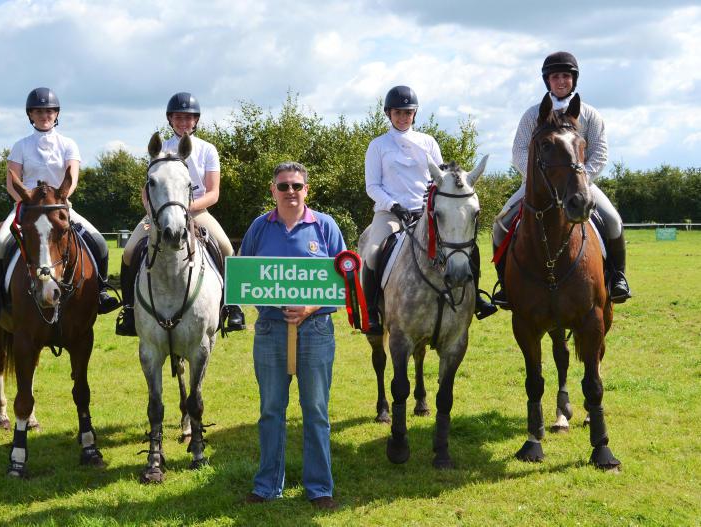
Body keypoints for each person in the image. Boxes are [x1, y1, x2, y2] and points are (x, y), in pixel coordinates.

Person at [241, 162, 346, 510]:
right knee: (271, 409)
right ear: (273, 190)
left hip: (315, 330)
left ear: (307, 189)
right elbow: (244, 276)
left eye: (296, 186)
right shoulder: (260, 227)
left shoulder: (326, 226)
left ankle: (319, 488)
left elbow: (342, 280)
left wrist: (309, 308)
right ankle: (268, 484)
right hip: (270, 330)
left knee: (315, 410)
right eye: (283, 186)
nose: (290, 192)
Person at [491, 51, 631, 306]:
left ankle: (618, 277)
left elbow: (599, 152)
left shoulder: (590, 115)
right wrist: (537, 179)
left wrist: (580, 179)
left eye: (566, 76)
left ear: (573, 79)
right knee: (499, 226)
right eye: (555, 77)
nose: (561, 81)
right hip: (537, 186)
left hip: (580, 184)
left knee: (613, 220)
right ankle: (505, 285)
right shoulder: (533, 115)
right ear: (548, 81)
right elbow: (519, 151)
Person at [361, 85, 497, 334]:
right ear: (389, 113)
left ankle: (475, 298)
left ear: (414, 114)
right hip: (389, 213)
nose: (403, 117)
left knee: (467, 248)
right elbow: (373, 186)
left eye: (408, 112)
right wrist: (394, 206)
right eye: (398, 112)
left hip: (425, 213)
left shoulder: (428, 142)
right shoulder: (378, 145)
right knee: (372, 252)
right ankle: (371, 313)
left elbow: (439, 179)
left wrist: (430, 205)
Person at [0, 87, 119, 320]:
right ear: (30, 115)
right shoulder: (20, 146)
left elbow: (71, 177)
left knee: (99, 242)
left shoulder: (68, 144)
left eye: (49, 111)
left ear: (56, 114)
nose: (45, 115)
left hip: (60, 208)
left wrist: (61, 199)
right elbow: (12, 183)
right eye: (39, 111)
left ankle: (101, 292)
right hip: (27, 208)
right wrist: (28, 202)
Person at [115, 92, 245, 336]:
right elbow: (148, 189)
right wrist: (151, 212)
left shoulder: (208, 150)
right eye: (178, 117)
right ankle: (130, 310)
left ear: (196, 120)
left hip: (197, 211)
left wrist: (186, 209)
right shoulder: (160, 149)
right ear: (170, 119)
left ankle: (232, 307)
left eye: (188, 117)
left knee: (227, 249)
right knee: (129, 251)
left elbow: (214, 192)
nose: (183, 122)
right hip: (160, 214)